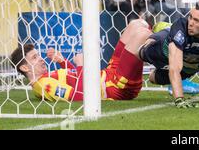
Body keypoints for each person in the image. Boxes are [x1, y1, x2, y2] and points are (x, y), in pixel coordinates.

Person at [9, 20, 152, 102]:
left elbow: (75, 78)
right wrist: (81, 64)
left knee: (137, 24)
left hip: (109, 73)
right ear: (25, 68)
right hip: (116, 87)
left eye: (38, 55)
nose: (40, 59)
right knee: (142, 35)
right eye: (34, 58)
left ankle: (167, 52)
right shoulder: (45, 86)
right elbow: (80, 95)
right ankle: (168, 58)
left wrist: (62, 62)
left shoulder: (45, 78)